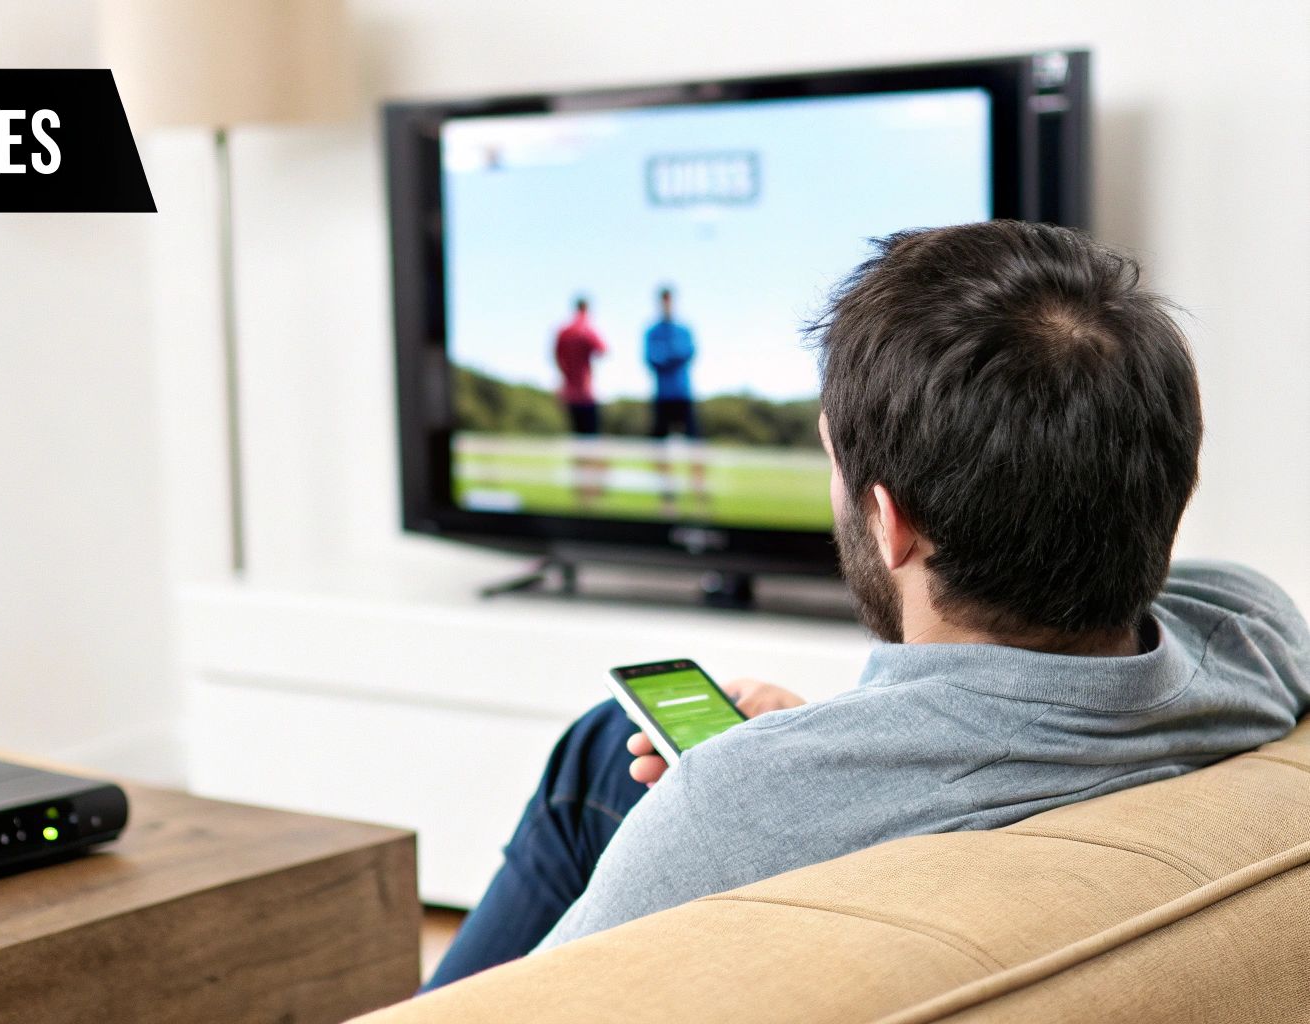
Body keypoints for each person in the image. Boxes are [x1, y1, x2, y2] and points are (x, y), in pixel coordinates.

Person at [422, 221, 1310, 991]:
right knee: (600, 756)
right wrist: (830, 739)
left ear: (891, 522)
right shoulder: (1254, 631)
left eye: (836, 466)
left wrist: (786, 768)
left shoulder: (728, 807)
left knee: (597, 774)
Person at [643, 287, 706, 516]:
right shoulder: (652, 331)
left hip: (683, 395)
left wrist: (668, 356)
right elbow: (651, 359)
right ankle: (667, 500)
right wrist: (672, 356)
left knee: (696, 449)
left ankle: (700, 498)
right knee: (660, 451)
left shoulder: (683, 329)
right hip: (662, 397)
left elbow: (687, 353)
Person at [554, 296, 608, 508]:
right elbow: (603, 349)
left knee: (577, 444)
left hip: (569, 395)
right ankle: (590, 494)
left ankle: (580, 494)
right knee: (591, 445)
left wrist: (566, 376)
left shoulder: (563, 331)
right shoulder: (585, 328)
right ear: (587, 308)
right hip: (586, 394)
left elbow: (556, 357)